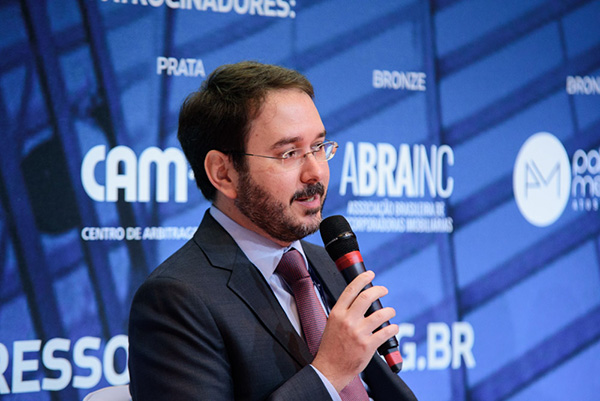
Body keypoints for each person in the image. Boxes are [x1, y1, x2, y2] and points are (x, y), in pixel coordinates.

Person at [128, 61, 417, 401]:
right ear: (223, 173)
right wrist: (329, 373)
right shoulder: (175, 299)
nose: (315, 173)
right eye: (289, 153)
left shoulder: (327, 263)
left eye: (318, 147)